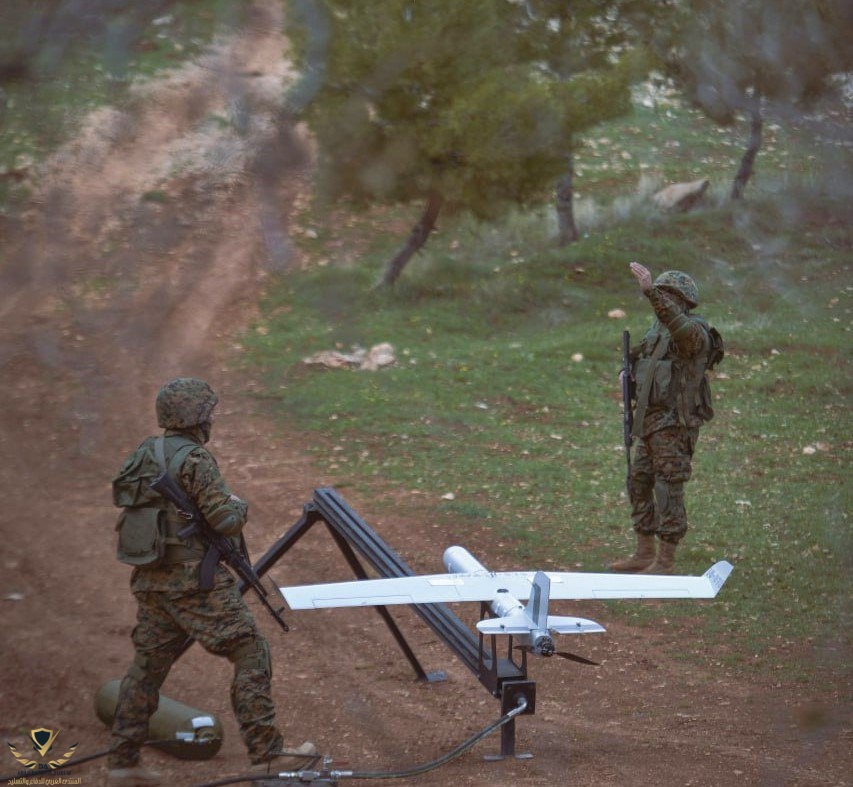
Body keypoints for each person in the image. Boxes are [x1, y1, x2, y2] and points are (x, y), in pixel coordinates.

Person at [107, 377, 316, 786]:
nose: (212, 420)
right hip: (193, 583)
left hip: (152, 581)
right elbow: (224, 519)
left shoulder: (144, 453)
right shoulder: (196, 460)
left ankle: (122, 763)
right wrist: (241, 507)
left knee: (146, 669)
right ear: (198, 417)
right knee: (250, 650)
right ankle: (267, 755)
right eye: (209, 413)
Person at [611, 263, 719, 575]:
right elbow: (639, 356)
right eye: (661, 297)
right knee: (639, 481)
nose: (662, 304)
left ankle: (666, 561)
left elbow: (680, 329)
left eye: (668, 298)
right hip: (650, 420)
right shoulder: (656, 333)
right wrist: (625, 371)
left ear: (682, 302)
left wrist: (650, 292)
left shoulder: (694, 332)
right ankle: (644, 553)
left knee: (668, 487)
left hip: (675, 423)